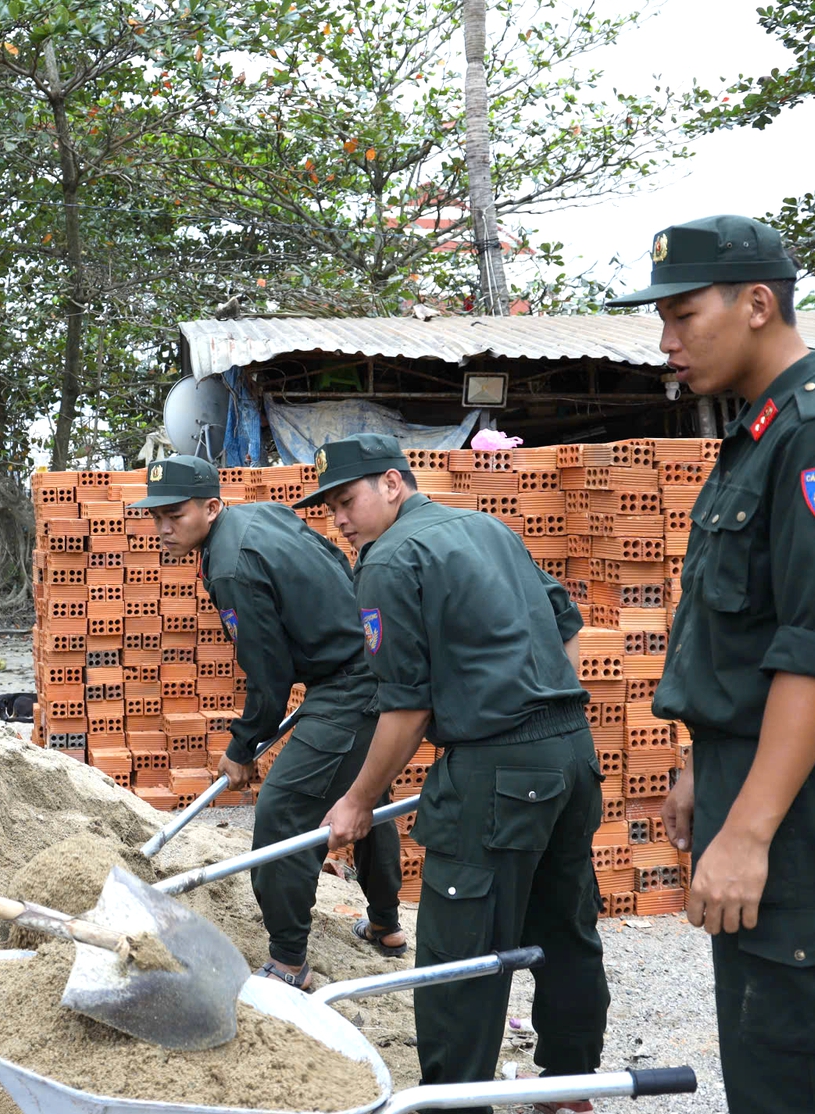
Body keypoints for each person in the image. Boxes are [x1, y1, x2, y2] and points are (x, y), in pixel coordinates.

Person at [604, 215, 815, 1114]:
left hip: (803, 799)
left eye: (682, 316)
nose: (667, 344)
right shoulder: (766, 434)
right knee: (768, 1045)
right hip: (760, 778)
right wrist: (709, 765)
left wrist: (749, 831)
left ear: (757, 303)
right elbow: (742, 632)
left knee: (806, 1060)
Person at [317, 433, 607, 1114]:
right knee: (563, 925)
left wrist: (358, 801)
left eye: (348, 499)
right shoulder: (485, 527)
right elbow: (566, 622)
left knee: (463, 947)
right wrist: (526, 687)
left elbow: (407, 706)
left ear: (393, 484)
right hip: (571, 750)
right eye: (330, 507)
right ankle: (571, 1088)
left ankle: (452, 1102)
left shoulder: (389, 559)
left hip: (497, 767)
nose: (340, 519)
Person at [135, 454, 403, 989]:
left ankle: (287, 962)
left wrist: (241, 748)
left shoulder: (231, 565)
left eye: (176, 515)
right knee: (363, 791)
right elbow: (331, 560)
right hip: (365, 664)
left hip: (352, 683)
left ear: (211, 507)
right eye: (156, 516)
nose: (163, 529)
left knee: (282, 813)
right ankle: (385, 926)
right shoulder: (259, 516)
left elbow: (268, 677)